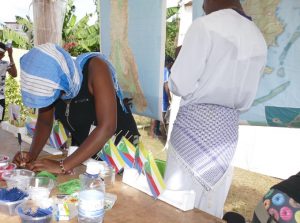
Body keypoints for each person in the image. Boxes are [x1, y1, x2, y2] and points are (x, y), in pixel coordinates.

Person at [163, 0, 267, 218]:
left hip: (193, 130)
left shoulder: (204, 26)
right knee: (210, 211)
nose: (202, 5)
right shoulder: (258, 36)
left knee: (175, 209)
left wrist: (181, 60)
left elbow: (179, 84)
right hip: (225, 137)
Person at [13, 43, 139, 174]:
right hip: (87, 155)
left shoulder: (95, 68)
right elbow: (45, 122)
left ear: (59, 79)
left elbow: (107, 127)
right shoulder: (54, 82)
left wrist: (62, 165)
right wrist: (31, 157)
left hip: (121, 151)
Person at [0, 42, 17, 122]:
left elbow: (14, 74)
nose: (0, 56)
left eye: (1, 54)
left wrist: (10, 55)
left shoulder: (5, 64)